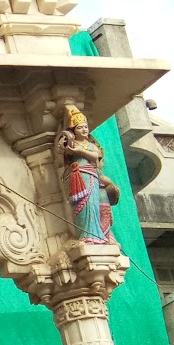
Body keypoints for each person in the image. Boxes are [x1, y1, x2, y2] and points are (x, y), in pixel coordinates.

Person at [57, 103, 119, 244]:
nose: (84, 130)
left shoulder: (91, 146)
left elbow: (95, 156)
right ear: (74, 130)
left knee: (93, 203)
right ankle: (86, 234)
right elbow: (62, 152)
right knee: (84, 205)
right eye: (80, 127)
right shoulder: (72, 144)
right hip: (78, 177)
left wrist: (80, 151)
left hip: (91, 176)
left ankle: (99, 235)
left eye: (85, 127)